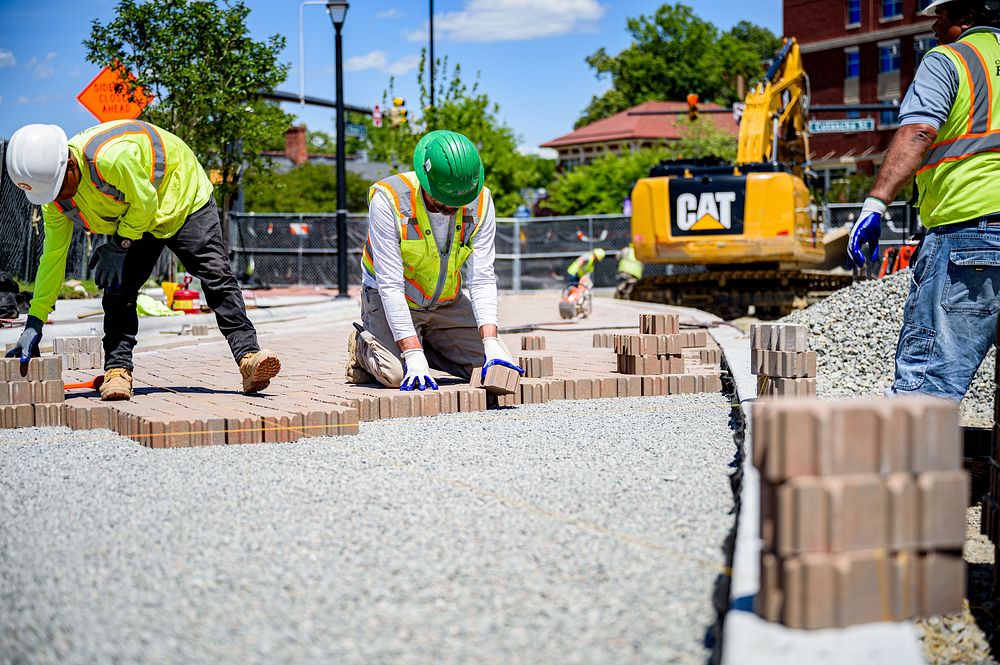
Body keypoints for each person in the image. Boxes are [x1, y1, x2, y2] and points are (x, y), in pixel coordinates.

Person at [4, 120, 280, 400]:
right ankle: (117, 370)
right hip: (137, 218)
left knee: (216, 276)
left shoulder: (109, 158)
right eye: (50, 194)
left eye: (59, 188)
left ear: (71, 165)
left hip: (182, 198)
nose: (60, 198)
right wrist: (35, 321)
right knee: (118, 290)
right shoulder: (55, 202)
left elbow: (146, 201)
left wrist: (120, 244)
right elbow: (52, 258)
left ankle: (248, 357)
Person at [848, 0, 1000, 401]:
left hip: (971, 232)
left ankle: (909, 462)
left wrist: (875, 205)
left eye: (943, 15)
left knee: (928, 389)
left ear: (968, 17)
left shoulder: (952, 59)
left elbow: (918, 131)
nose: (935, 25)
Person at [345, 130, 522, 391]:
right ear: (426, 180)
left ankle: (425, 344)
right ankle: (363, 346)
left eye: (461, 199)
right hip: (392, 299)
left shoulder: (482, 200)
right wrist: (412, 354)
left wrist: (491, 342)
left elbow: (482, 277)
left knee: (495, 367)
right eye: (446, 198)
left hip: (445, 303)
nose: (455, 206)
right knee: (394, 376)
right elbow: (390, 284)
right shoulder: (389, 200)